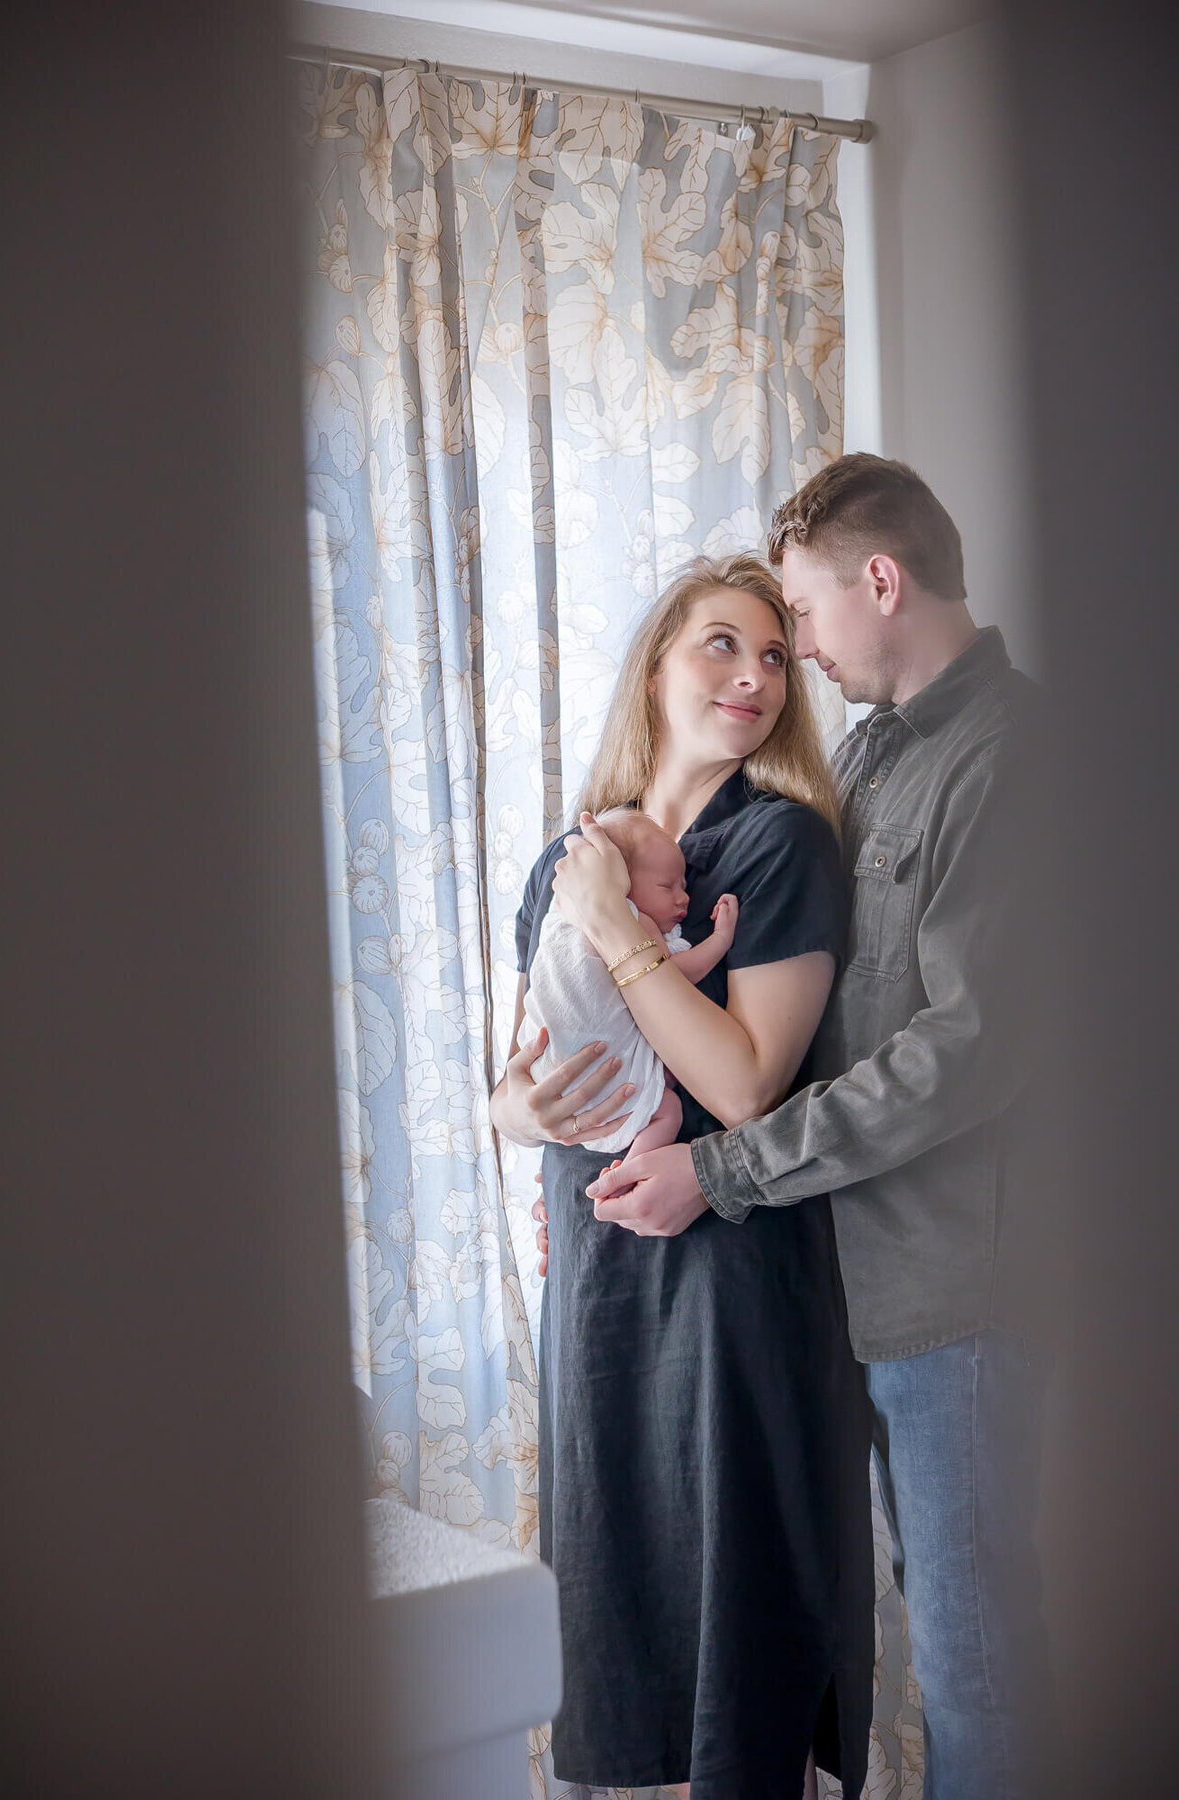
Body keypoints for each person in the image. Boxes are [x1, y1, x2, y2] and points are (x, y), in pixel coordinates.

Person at [574, 456, 1050, 1800]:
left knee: (981, 1676)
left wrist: (717, 1169)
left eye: (797, 619)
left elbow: (959, 1058)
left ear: (880, 582)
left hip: (965, 1295)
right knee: (944, 1667)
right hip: (861, 1291)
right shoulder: (879, 756)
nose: (790, 660)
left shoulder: (1011, 758)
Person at [490, 554, 874, 1800]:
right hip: (598, 1288)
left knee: (737, 1655)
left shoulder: (778, 845)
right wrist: (514, 1109)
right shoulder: (575, 850)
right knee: (624, 1635)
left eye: (774, 655)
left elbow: (743, 1084)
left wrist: (616, 928)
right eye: (721, 644)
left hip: (728, 1291)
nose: (755, 677)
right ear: (656, 667)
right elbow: (512, 1074)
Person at [517, 807, 739, 1158]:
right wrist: (720, 940)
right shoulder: (631, 920)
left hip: (549, 1072)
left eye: (683, 885)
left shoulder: (560, 914)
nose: (684, 897)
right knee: (668, 1109)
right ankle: (627, 1173)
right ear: (620, 881)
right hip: (586, 1069)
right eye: (667, 886)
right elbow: (673, 975)